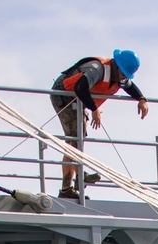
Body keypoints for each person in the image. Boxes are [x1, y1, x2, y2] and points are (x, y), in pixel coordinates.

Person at [50, 51, 149, 199]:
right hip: (64, 94)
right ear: (118, 67)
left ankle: (79, 176)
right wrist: (94, 109)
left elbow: (130, 87)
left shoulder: (119, 76)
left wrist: (141, 99)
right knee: (74, 139)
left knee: (79, 137)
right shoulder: (97, 69)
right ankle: (69, 187)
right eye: (124, 74)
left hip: (78, 100)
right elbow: (80, 87)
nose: (124, 78)